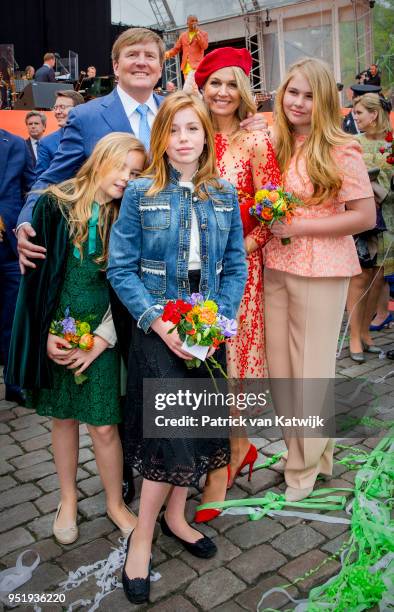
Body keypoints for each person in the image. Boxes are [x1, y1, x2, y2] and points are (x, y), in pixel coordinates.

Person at [107, 92, 247, 604]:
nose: (184, 140)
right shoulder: (142, 192)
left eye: (194, 129)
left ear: (207, 135)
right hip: (158, 331)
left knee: (199, 426)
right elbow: (121, 269)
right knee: (169, 435)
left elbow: (235, 266)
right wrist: (161, 326)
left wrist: (215, 323)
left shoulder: (223, 193)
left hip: (207, 329)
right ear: (160, 137)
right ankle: (141, 539)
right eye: (175, 130)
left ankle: (174, 518)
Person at [7, 133, 148, 544]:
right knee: (63, 417)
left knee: (104, 425)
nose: (125, 178)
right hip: (60, 329)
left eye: (135, 173)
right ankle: (67, 499)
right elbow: (39, 281)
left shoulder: (128, 215)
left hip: (105, 332)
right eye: (120, 166)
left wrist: (104, 338)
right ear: (99, 159)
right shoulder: (56, 205)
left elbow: (128, 285)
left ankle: (115, 502)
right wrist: (45, 335)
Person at [264, 58, 375, 502]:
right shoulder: (275, 141)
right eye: (293, 92)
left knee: (310, 372)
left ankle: (303, 469)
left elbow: (364, 216)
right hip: (275, 265)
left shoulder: (339, 148)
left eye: (309, 95)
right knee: (283, 373)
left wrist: (300, 227)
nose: (298, 102)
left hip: (323, 269)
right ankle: (309, 453)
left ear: (325, 99)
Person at [193, 47, 281, 521]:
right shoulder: (190, 136)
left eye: (232, 84)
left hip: (239, 274)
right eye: (215, 84)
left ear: (243, 90)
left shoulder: (257, 142)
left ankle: (229, 460)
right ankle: (220, 454)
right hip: (190, 275)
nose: (223, 93)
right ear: (202, 88)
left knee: (235, 366)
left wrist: (233, 257)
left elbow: (270, 212)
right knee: (202, 366)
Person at [16, 27, 166, 273]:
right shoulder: (86, 117)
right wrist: (26, 222)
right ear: (116, 66)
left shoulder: (176, 112)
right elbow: (52, 179)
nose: (141, 62)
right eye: (132, 54)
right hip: (107, 259)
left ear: (160, 68)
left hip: (168, 255)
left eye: (150, 56)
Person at [346, 93, 393, 361]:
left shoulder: (390, 145)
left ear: (374, 114)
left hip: (387, 221)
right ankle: (353, 337)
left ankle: (365, 333)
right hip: (361, 221)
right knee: (359, 278)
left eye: (360, 113)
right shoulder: (353, 143)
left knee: (376, 279)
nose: (356, 118)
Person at [0, 130, 35, 405]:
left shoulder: (14, 144)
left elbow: (32, 188)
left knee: (12, 319)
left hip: (10, 249)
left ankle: (14, 383)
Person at [35, 90, 84, 177]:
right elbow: (42, 179)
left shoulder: (94, 135)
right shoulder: (46, 143)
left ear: (78, 108)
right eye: (55, 108)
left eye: (62, 107)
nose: (57, 112)